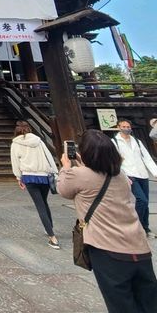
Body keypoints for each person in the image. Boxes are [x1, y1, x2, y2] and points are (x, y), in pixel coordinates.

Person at [58, 129, 157, 313]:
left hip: (107, 249)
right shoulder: (121, 176)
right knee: (149, 303)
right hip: (139, 248)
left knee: (120, 304)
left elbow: (64, 189)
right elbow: (95, 177)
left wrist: (66, 166)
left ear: (86, 153)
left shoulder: (78, 175)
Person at [10, 120, 59, 248]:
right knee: (44, 202)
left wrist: (18, 177)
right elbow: (48, 156)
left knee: (40, 205)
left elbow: (15, 162)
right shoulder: (38, 140)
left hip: (29, 175)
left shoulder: (15, 144)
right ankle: (49, 226)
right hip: (44, 175)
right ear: (29, 129)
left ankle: (52, 237)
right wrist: (55, 171)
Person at [113, 119, 157, 235]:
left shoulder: (137, 141)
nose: (126, 128)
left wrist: (155, 172)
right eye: (124, 126)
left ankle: (145, 227)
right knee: (141, 200)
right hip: (129, 174)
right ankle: (135, 226)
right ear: (118, 127)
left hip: (142, 173)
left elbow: (146, 157)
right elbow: (115, 161)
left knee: (146, 202)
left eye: (128, 126)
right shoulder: (115, 142)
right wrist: (121, 174)